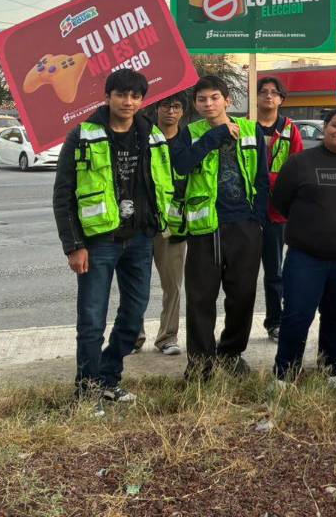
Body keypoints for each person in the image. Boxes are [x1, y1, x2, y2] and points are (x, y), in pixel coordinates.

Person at [52, 70, 176, 409]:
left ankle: (107, 379)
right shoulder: (82, 135)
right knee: (91, 320)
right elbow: (63, 195)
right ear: (107, 97)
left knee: (134, 316)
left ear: (142, 100)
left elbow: (164, 179)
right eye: (121, 94)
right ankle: (87, 391)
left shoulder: (151, 134)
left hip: (139, 239)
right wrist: (74, 245)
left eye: (135, 96)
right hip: (99, 242)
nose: (128, 101)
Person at [170, 75, 270, 379]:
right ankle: (200, 363)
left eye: (214, 97)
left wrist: (258, 220)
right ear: (195, 104)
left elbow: (262, 178)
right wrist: (214, 137)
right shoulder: (190, 133)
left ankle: (230, 353)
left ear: (227, 100)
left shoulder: (251, 130)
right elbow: (180, 165)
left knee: (243, 295)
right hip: (205, 228)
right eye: (202, 99)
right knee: (200, 298)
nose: (208, 104)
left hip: (244, 225)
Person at [271, 109, 336, 388]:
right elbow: (281, 201)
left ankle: (331, 370)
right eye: (335, 125)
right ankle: (284, 374)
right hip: (305, 258)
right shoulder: (299, 163)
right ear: (325, 127)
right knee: (297, 315)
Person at [134, 91, 190, 356]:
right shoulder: (142, 137)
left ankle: (168, 337)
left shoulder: (188, 140)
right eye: (166, 106)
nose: (171, 111)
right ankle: (133, 335)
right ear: (156, 109)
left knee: (172, 284)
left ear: (183, 111)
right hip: (142, 221)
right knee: (136, 283)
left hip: (174, 223)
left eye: (176, 106)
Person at [255, 76, 304, 342]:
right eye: (263, 92)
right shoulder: (245, 127)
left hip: (277, 212)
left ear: (281, 99)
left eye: (274, 93)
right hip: (248, 211)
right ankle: (237, 327)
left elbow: (297, 168)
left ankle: (275, 322)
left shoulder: (289, 129)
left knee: (275, 272)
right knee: (241, 274)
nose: (268, 96)